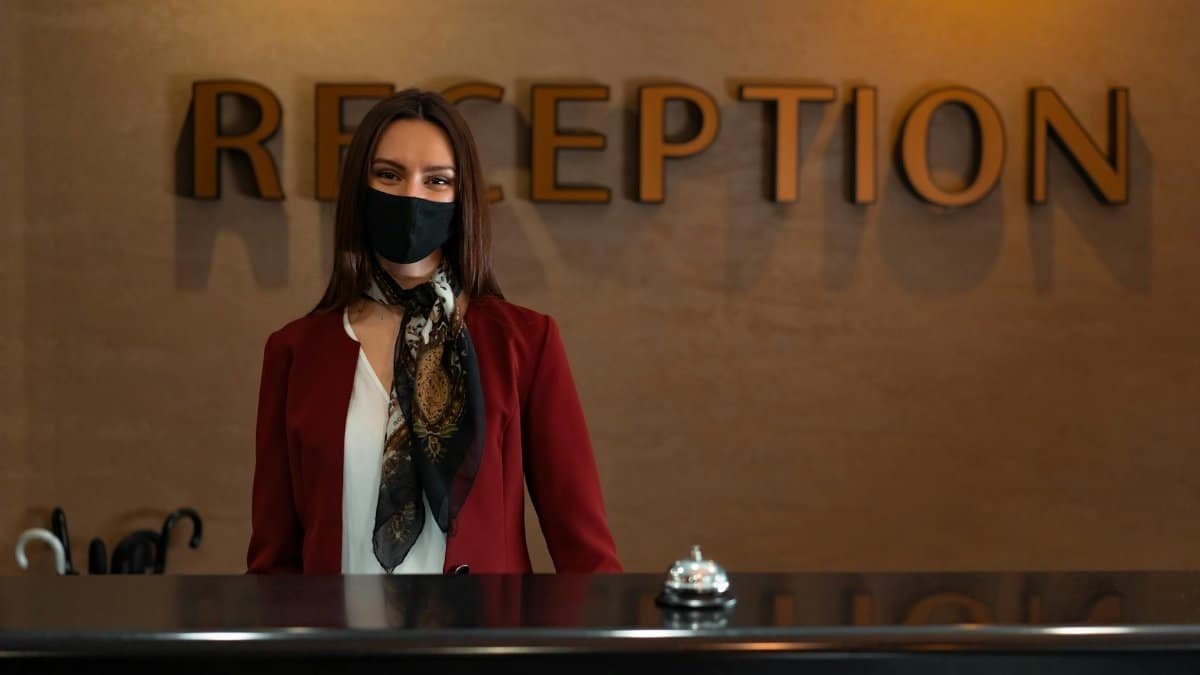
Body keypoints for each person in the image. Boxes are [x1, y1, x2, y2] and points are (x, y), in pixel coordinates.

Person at [247, 88, 621, 575]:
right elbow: (273, 559)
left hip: (484, 644)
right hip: (336, 646)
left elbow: (583, 548)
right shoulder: (295, 352)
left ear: (460, 197)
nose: (411, 196)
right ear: (360, 188)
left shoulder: (524, 344)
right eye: (389, 174)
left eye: (437, 180)